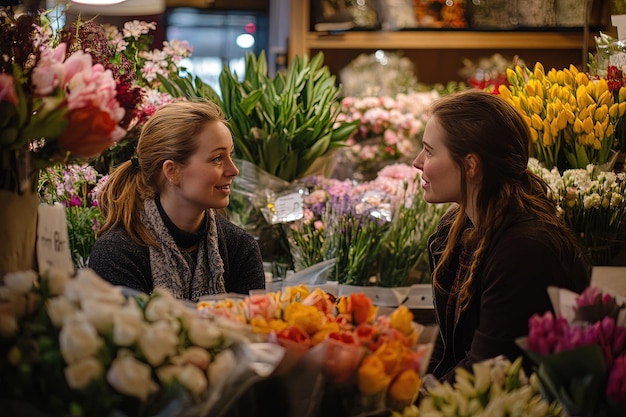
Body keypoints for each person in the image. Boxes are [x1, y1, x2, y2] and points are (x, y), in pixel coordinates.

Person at [412, 89, 590, 383]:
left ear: (470, 166)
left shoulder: (526, 251)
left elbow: (487, 369)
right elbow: (448, 350)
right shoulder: (455, 230)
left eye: (429, 151)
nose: (418, 162)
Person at [88, 100, 266, 301]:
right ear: (172, 171)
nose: (234, 170)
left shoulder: (240, 248)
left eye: (230, 155)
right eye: (217, 158)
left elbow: (254, 329)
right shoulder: (117, 255)